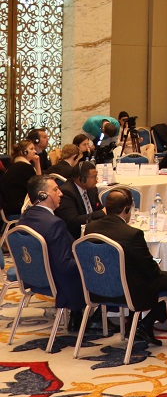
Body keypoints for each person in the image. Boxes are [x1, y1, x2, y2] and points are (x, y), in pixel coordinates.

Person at [84, 188, 167, 345]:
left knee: (136, 274)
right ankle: (146, 324)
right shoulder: (132, 234)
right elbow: (151, 271)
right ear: (126, 209)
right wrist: (155, 264)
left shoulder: (90, 228)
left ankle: (140, 325)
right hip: (128, 291)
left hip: (97, 287)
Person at [17, 176, 87, 332]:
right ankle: (95, 317)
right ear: (43, 195)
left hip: (33, 277)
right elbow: (65, 265)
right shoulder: (54, 223)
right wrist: (86, 261)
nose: (60, 193)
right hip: (55, 280)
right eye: (55, 190)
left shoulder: (24, 218)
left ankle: (78, 315)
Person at [55, 160, 101, 239]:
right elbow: (73, 221)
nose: (97, 180)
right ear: (81, 179)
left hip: (93, 229)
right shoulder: (66, 192)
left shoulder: (92, 189)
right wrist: (101, 213)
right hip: (76, 235)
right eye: (93, 177)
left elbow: (98, 208)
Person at [1, 140, 39, 220]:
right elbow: (39, 185)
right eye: (31, 149)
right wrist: (37, 163)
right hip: (18, 209)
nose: (35, 151)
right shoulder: (25, 167)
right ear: (24, 152)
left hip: (8, 208)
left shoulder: (14, 166)